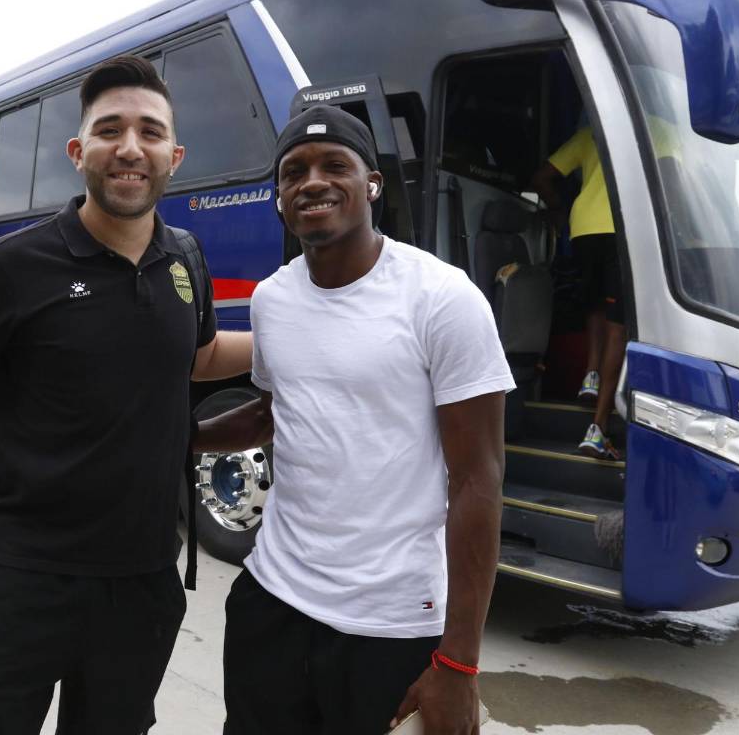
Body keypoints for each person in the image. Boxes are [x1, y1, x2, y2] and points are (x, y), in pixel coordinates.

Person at [0, 55, 251, 735]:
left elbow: (200, 357)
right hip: (22, 577)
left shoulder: (186, 257)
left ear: (174, 156)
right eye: (110, 130)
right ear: (78, 151)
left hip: (144, 579)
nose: (130, 148)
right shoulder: (13, 265)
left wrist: (303, 336)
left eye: (150, 132)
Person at [196, 106, 514, 735]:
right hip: (271, 602)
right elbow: (275, 413)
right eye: (294, 172)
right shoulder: (273, 299)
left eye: (334, 165)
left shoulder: (443, 298)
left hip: (391, 626)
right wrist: (181, 438)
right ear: (279, 198)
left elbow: (478, 480)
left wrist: (458, 661)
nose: (312, 181)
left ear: (372, 184)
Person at [531, 127, 624, 459]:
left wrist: (559, 210)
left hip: (584, 228)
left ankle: (590, 376)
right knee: (619, 327)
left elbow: (542, 178)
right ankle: (598, 429)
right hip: (623, 227)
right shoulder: (663, 128)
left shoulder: (591, 132)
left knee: (595, 307)